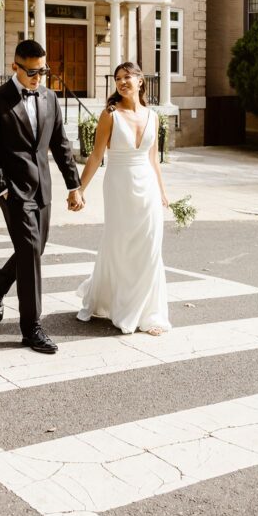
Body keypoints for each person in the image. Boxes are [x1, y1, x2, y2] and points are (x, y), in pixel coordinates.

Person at [0, 40, 84, 354]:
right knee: (29, 251)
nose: (39, 77)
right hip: (13, 191)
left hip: (43, 189)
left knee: (33, 250)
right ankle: (31, 328)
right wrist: (1, 187)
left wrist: (73, 185)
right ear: (15, 67)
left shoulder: (50, 98)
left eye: (43, 71)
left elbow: (60, 145)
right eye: (33, 72)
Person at [76, 61, 171, 336]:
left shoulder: (153, 116)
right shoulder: (110, 114)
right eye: (118, 78)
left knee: (150, 247)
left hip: (148, 187)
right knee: (120, 244)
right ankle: (121, 305)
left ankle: (150, 314)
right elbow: (96, 156)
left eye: (127, 77)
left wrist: (162, 192)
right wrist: (79, 189)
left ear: (140, 81)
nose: (122, 82)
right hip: (119, 185)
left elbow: (153, 159)